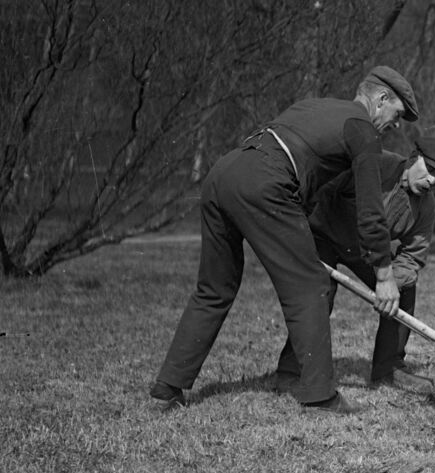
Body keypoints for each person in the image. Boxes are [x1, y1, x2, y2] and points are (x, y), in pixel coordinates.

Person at [149, 66, 420, 414]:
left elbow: (306, 173)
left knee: (214, 288)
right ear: (381, 99)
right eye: (397, 114)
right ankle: (320, 396)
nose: (396, 125)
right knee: (311, 286)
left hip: (223, 174)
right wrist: (384, 276)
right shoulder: (363, 130)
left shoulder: (314, 106)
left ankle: (169, 384)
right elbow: (370, 213)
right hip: (266, 182)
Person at [275, 134, 435, 393]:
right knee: (318, 295)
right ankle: (291, 372)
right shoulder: (374, 165)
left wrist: (393, 285)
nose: (432, 181)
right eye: (430, 171)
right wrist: (298, 229)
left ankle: (388, 368)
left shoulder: (425, 206)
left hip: (367, 250)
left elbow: (413, 255)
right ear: (413, 159)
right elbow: (320, 186)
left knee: (403, 289)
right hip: (321, 234)